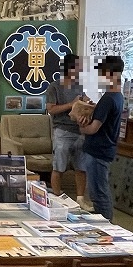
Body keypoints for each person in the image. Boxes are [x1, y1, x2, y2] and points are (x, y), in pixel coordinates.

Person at [75, 56, 125, 222]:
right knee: (100, 190)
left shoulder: (108, 98)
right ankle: (106, 223)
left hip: (97, 151)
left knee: (98, 193)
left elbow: (93, 128)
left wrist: (81, 125)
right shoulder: (118, 96)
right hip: (105, 149)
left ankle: (107, 226)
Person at [45, 53, 89, 201]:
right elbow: (51, 110)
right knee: (59, 166)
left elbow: (81, 104)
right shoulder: (54, 87)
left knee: (81, 167)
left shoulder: (79, 86)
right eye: (77, 67)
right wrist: (71, 104)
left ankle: (80, 199)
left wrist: (86, 104)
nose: (79, 70)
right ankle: (57, 197)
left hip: (80, 130)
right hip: (62, 131)